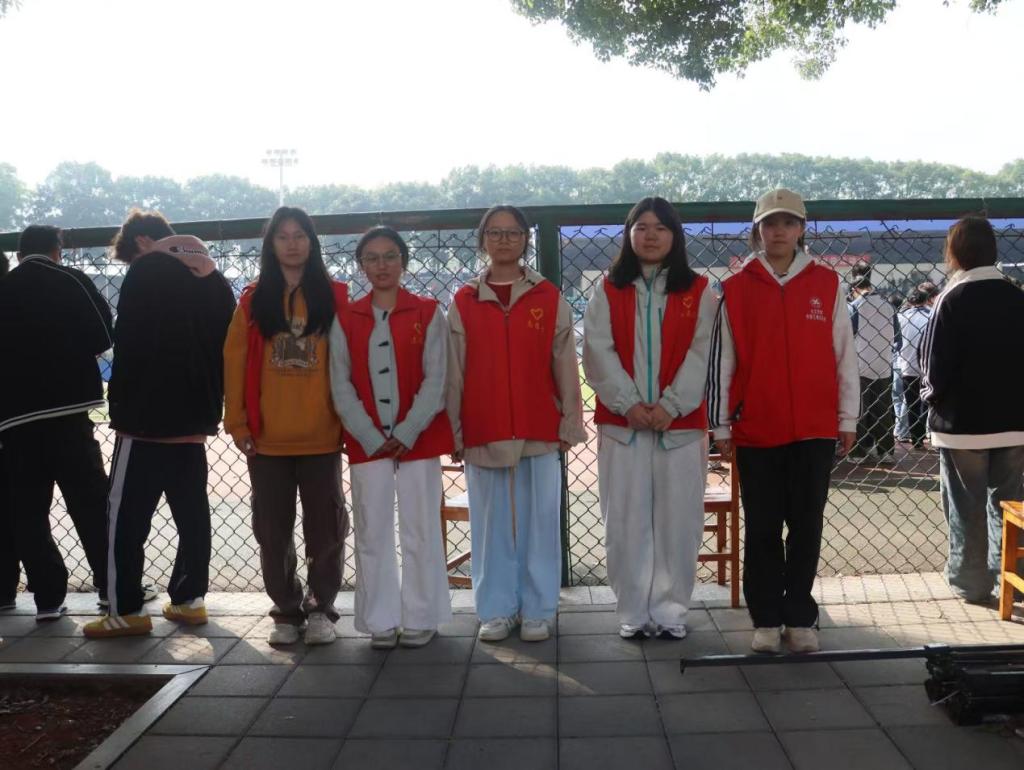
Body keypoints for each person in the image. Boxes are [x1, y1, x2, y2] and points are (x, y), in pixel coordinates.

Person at [708, 189, 859, 654]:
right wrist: (721, 425)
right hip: (757, 426)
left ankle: (800, 616)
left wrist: (847, 417)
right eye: (770, 223)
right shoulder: (734, 288)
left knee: (807, 525)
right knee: (763, 527)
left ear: (801, 229)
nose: (779, 231)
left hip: (815, 427)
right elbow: (723, 361)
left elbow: (844, 354)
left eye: (788, 223)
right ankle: (766, 618)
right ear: (757, 230)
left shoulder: (827, 284)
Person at [84, 211, 235, 638]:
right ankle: (189, 599)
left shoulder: (146, 271)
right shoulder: (211, 279)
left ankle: (126, 609)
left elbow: (129, 342)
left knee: (126, 518)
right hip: (194, 419)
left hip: (144, 421)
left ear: (143, 243)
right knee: (192, 514)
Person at [447, 204, 586, 643]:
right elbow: (454, 371)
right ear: (482, 239)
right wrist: (455, 430)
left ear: (526, 239)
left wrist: (569, 423)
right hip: (483, 428)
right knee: (490, 527)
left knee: (540, 524)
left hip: (538, 427)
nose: (504, 239)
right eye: (495, 232)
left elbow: (565, 364)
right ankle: (495, 610)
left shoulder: (548, 296)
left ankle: (538, 610)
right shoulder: (464, 300)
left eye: (512, 232)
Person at [583, 197, 716, 640]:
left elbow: (703, 353)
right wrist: (629, 403)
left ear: (675, 235)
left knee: (680, 523)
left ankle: (671, 611)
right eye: (641, 227)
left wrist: (671, 405)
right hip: (623, 428)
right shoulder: (608, 289)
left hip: (681, 429)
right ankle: (633, 612)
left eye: (661, 227)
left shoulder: (699, 291)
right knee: (625, 521)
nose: (651, 235)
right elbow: (597, 350)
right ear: (628, 234)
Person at [224, 206, 348, 646]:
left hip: (322, 437)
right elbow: (234, 363)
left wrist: (349, 425)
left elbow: (351, 364)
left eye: (300, 235)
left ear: (312, 243)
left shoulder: (336, 296)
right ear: (270, 244)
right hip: (267, 440)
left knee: (326, 530)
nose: (292, 244)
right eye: (283, 236)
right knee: (272, 531)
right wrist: (237, 423)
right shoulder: (253, 300)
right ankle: (286, 609)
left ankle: (321, 609)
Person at [330, 226, 453, 649]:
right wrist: (368, 433)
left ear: (403, 261)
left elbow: (437, 379)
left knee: (421, 527)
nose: (381, 265)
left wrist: (408, 430)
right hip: (367, 445)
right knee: (372, 528)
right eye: (372, 258)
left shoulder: (428, 312)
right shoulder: (346, 317)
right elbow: (340, 383)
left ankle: (422, 615)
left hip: (419, 440)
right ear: (361, 265)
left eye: (389, 256)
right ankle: (380, 619)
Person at [0, 226, 112, 621]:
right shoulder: (71, 280)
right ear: (57, 249)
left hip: (15, 418)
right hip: (69, 411)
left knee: (28, 510)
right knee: (90, 501)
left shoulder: (4, 287)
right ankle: (111, 585)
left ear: (18, 253)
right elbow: (103, 334)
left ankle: (47, 598)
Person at [920, 215, 1024, 604]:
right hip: (1014, 422)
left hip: (962, 424)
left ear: (954, 253)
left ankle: (971, 582)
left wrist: (932, 400)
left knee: (966, 506)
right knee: (1009, 504)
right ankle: (1010, 578)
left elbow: (934, 367)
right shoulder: (1016, 297)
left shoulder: (951, 299)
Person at [847, 260, 898, 464]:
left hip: (859, 365)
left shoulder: (854, 306)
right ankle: (886, 451)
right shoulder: (889, 306)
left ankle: (857, 452)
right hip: (884, 364)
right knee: (883, 410)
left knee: (859, 410)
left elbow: (847, 335)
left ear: (854, 287)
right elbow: (898, 337)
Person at [896, 287, 932, 448]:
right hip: (927, 365)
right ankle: (924, 433)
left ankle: (916, 438)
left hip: (907, 365)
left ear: (910, 301)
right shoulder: (932, 315)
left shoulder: (901, 317)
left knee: (911, 404)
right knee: (927, 401)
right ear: (926, 300)